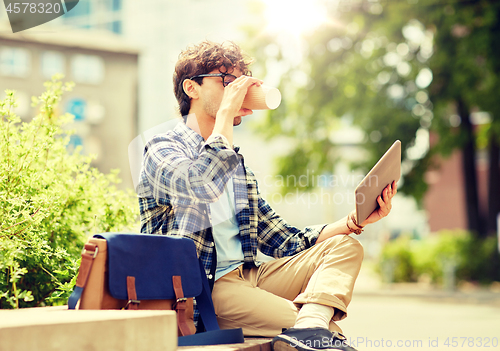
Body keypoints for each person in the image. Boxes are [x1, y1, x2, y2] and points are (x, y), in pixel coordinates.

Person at [138, 41, 397, 351]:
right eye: (226, 81)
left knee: (344, 247)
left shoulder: (236, 164)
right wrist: (225, 116)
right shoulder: (163, 148)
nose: (237, 90)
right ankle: (311, 329)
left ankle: (311, 324)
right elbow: (201, 185)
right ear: (191, 88)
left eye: (240, 81)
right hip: (205, 288)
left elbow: (281, 239)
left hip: (252, 275)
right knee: (331, 337)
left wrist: (354, 221)